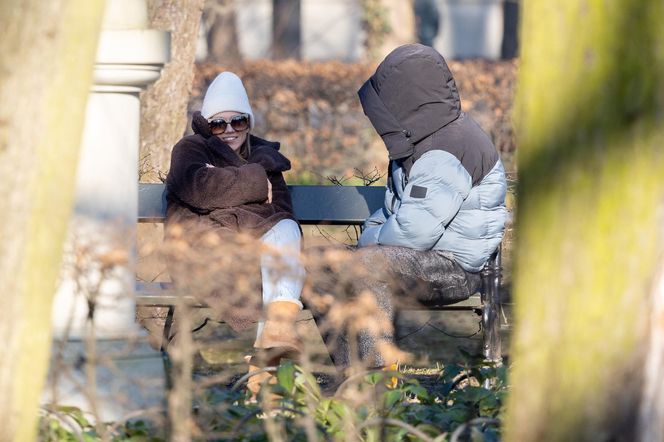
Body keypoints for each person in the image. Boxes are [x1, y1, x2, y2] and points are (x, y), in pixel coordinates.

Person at [320, 44, 508, 369]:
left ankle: (378, 381)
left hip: (455, 269)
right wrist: (374, 236)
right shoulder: (415, 144)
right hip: (416, 258)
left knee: (366, 265)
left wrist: (370, 240)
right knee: (319, 269)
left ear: (404, 101)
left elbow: (413, 232)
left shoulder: (446, 149)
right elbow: (393, 211)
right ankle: (351, 374)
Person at [164, 71, 305, 395]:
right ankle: (267, 369)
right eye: (218, 123)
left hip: (259, 253)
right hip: (207, 251)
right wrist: (256, 184)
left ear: (248, 123)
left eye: (238, 121)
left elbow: (280, 212)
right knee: (270, 265)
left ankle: (277, 332)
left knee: (285, 228)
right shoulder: (190, 149)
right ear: (206, 125)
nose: (229, 130)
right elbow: (198, 189)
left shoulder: (266, 157)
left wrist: (225, 187)